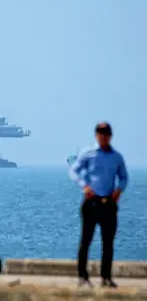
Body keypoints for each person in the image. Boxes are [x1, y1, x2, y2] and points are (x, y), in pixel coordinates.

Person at [69, 122, 128, 288]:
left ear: (110, 135)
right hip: (91, 202)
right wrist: (84, 185)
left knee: (108, 242)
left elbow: (124, 176)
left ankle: (106, 278)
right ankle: (82, 277)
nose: (103, 136)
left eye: (106, 133)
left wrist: (119, 190)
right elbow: (73, 170)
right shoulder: (88, 153)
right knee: (86, 241)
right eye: (100, 133)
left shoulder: (116, 156)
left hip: (109, 203)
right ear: (96, 135)